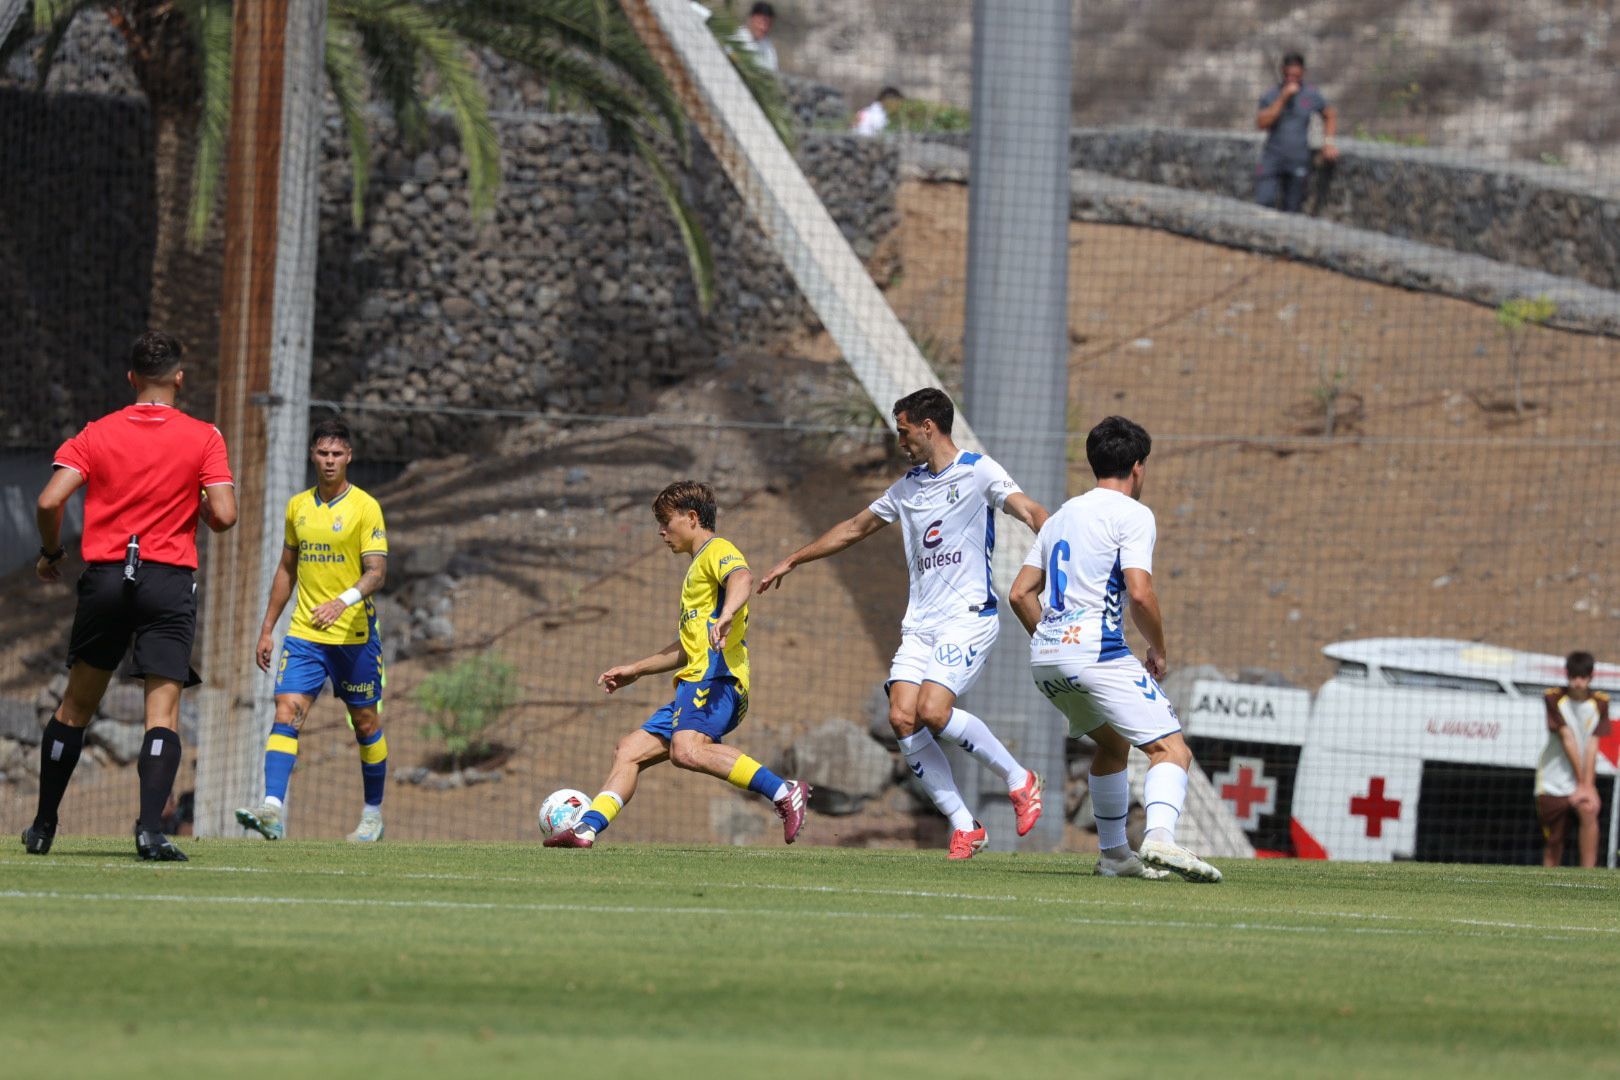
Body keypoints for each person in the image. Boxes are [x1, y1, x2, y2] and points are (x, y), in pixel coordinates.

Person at [758, 389, 1048, 859]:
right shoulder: (907, 488)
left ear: (928, 427)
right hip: (920, 626)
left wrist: (1054, 543)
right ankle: (963, 824)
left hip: (967, 618)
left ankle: (1020, 779)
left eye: (904, 430)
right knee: (901, 717)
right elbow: (854, 527)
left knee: (934, 711)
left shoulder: (979, 471)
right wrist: (795, 559)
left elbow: (1030, 510)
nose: (900, 441)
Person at [24, 330, 237, 861]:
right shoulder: (204, 437)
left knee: (75, 708)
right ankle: (149, 832)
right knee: (161, 715)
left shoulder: (97, 433)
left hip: (106, 579)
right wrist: (200, 505)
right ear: (179, 378)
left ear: (132, 378)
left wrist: (51, 554)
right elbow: (226, 516)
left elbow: (50, 501)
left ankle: (44, 827)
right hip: (165, 582)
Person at [1009, 416, 1221, 883]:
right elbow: (1140, 593)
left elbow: (1020, 594)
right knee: (1171, 750)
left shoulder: (1061, 516)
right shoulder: (1132, 514)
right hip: (1097, 653)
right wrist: (1158, 650)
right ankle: (1161, 838)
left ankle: (1114, 855)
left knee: (1112, 744)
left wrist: (1051, 639)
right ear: (1139, 468)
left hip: (1046, 660)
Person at [546, 480, 809, 848]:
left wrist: (729, 612)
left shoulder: (717, 550)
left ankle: (783, 791)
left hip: (716, 678)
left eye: (665, 522)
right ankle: (585, 829)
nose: (661, 531)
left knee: (686, 751)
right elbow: (687, 648)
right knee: (629, 751)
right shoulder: (696, 571)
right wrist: (636, 669)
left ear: (691, 517)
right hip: (694, 679)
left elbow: (742, 577)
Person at [235, 417, 391, 843]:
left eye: (337, 454)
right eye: (323, 453)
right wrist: (267, 629)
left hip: (354, 636)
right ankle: (271, 810)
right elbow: (287, 569)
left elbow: (376, 572)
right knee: (286, 711)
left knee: (364, 722)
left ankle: (373, 815)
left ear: (349, 457)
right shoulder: (298, 507)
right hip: (304, 634)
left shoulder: (365, 507)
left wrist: (343, 601)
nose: (329, 461)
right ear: (312, 455)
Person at [1536, 652, 1610, 868]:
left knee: (1589, 811)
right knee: (1554, 841)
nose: (1578, 682)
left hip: (1582, 782)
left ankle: (1589, 876)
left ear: (1591, 677)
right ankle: (1546, 886)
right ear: (1567, 675)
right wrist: (1581, 783)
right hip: (1553, 780)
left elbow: (1592, 746)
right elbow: (1568, 739)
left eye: (1583, 677)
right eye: (1574, 676)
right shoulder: (1554, 698)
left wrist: (1588, 786)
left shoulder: (1601, 703)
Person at [1254, 51, 1337, 213]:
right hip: (1272, 157)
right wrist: (1283, 98)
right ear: (1283, 71)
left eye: (1296, 75)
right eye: (1289, 75)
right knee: (1264, 201)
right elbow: (1262, 123)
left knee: (1293, 207)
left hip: (1298, 159)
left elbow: (1330, 115)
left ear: (1302, 73)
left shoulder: (1311, 94)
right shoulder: (1271, 95)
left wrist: (1328, 143)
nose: (1292, 79)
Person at [732, 2, 778, 73]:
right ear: (753, 18)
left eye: (769, 24)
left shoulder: (768, 45)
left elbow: (773, 70)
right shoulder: (737, 38)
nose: (764, 28)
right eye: (761, 22)